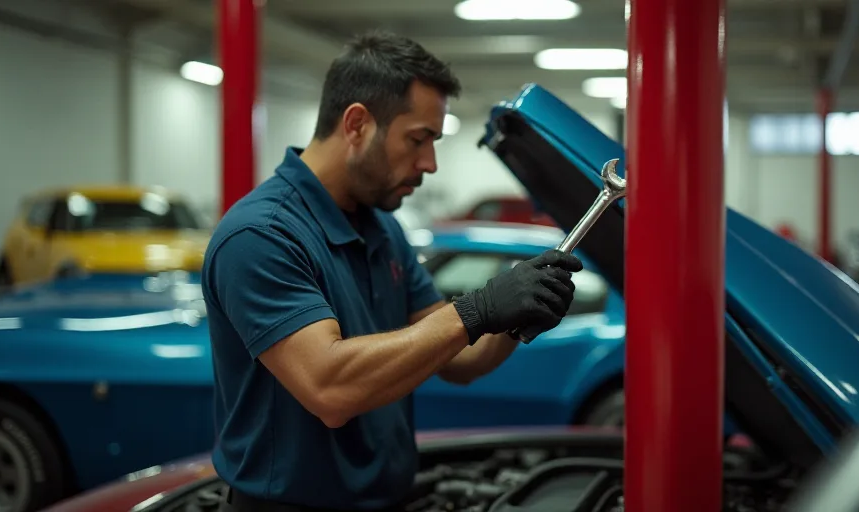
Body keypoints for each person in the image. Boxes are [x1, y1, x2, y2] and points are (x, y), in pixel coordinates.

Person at [201, 31, 583, 512]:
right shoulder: (262, 236)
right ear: (357, 124)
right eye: (418, 139)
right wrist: (478, 308)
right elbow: (330, 387)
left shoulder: (383, 228)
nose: (430, 164)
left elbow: (459, 360)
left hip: (389, 497)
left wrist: (516, 314)